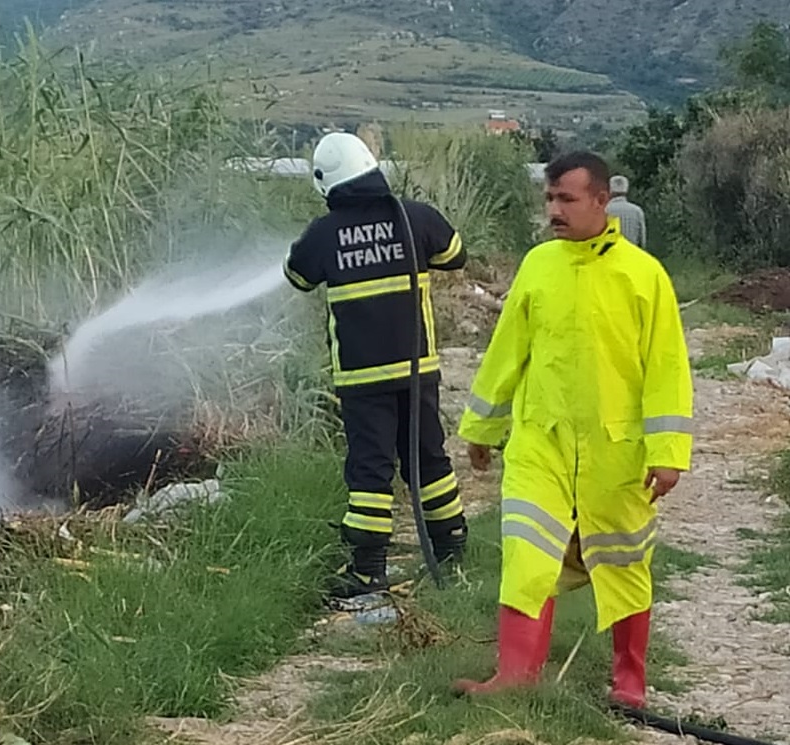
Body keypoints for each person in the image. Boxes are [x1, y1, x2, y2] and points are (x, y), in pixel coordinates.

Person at [452, 151, 694, 709]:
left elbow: (666, 369)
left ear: (601, 201)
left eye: (566, 199)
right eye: (549, 199)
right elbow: (507, 350)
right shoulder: (538, 265)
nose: (554, 210)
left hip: (617, 451)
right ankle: (515, 676)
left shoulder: (643, 275)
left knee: (625, 562)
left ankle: (629, 684)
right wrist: (483, 428)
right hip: (542, 444)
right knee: (526, 552)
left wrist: (668, 452)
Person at [283, 131, 471, 599]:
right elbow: (455, 254)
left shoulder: (324, 233)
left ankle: (368, 570)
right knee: (429, 458)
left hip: (362, 380)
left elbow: (297, 276)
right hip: (417, 370)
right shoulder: (415, 217)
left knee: (370, 472)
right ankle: (452, 544)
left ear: (326, 182)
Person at [606, 174, 647, 248]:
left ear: (609, 190)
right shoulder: (637, 211)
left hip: (610, 255)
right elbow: (642, 241)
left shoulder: (604, 211)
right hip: (631, 254)